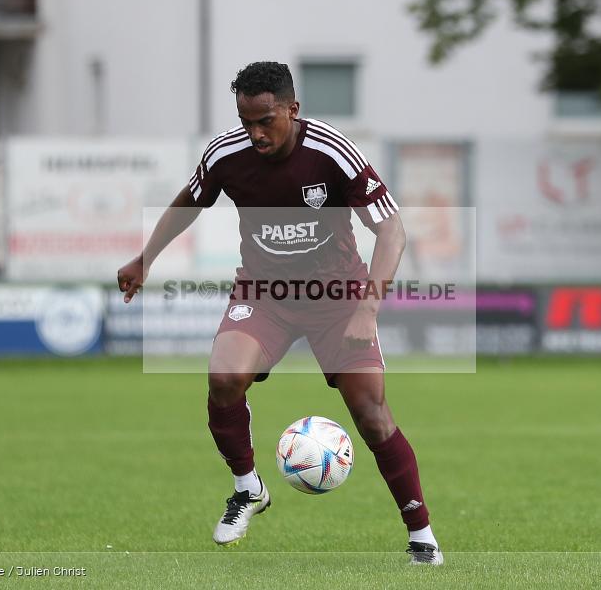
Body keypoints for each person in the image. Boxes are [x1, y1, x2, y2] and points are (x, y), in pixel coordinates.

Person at [117, 62, 442, 565]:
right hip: (265, 292)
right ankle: (248, 488)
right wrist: (146, 258)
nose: (256, 133)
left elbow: (392, 230)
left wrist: (368, 307)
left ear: (293, 109)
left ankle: (421, 535)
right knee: (224, 377)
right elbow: (190, 201)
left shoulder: (331, 153)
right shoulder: (227, 154)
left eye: (266, 120)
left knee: (372, 417)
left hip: (337, 298)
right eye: (247, 121)